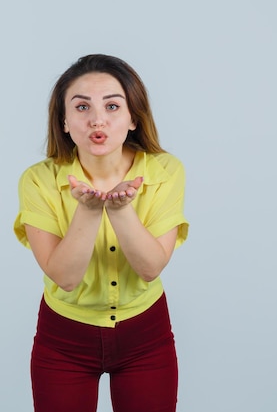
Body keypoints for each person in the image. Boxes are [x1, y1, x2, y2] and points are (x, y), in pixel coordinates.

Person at [13, 54, 189, 412]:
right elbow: (64, 277)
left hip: (146, 337)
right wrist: (89, 211)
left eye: (112, 105)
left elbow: (150, 268)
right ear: (63, 121)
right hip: (63, 340)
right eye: (81, 107)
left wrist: (121, 210)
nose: (97, 119)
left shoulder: (166, 170)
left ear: (133, 118)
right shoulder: (37, 179)